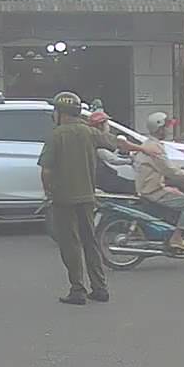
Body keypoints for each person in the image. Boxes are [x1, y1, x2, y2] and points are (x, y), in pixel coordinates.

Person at [38, 91, 136, 305]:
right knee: (90, 242)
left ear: (61, 113)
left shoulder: (56, 135)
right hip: (87, 197)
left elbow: (46, 170)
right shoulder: (89, 132)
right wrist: (142, 147)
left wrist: (48, 192)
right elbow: (117, 142)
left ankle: (78, 290)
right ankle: (100, 288)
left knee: (71, 245)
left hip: (64, 199)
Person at [133, 111, 184, 254]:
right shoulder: (154, 148)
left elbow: (167, 165)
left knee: (179, 190)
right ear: (159, 129)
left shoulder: (150, 144)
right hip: (153, 191)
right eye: (166, 127)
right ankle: (177, 238)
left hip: (151, 186)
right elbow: (170, 170)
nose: (168, 130)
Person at [87, 111, 136, 195]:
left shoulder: (104, 138)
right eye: (107, 124)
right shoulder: (98, 140)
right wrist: (130, 161)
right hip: (103, 178)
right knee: (132, 186)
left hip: (104, 175)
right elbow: (112, 159)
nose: (108, 126)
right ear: (100, 125)